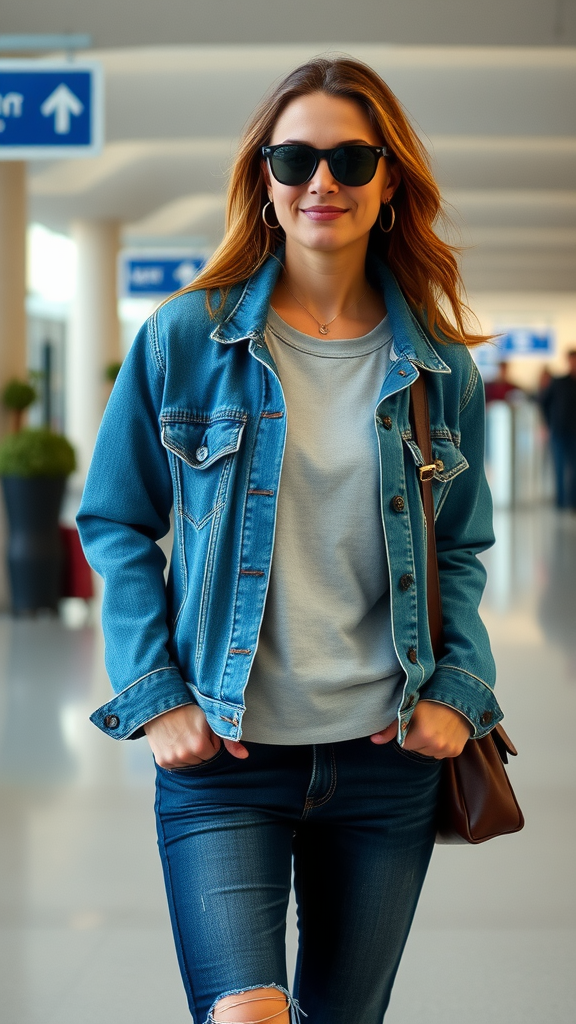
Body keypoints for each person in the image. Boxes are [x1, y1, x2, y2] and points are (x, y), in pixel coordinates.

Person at [77, 57, 502, 1024]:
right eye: (296, 158)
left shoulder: (439, 368)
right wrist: (154, 698)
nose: (323, 182)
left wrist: (456, 691)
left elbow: (464, 547)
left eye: (352, 160)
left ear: (389, 182)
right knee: (247, 1015)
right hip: (227, 756)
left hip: (383, 754)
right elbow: (114, 520)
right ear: (263, 181)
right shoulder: (184, 338)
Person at [539, 350, 576, 510]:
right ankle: (560, 503)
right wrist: (547, 423)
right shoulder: (559, 382)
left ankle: (573, 501)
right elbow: (543, 402)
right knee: (559, 468)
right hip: (559, 431)